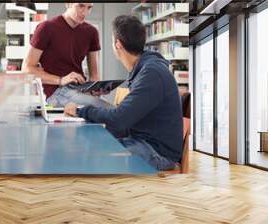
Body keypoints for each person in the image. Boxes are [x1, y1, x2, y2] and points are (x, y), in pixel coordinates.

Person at [64, 15, 183, 171]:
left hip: (157, 153)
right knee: (91, 141)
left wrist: (81, 111)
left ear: (117, 44)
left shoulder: (151, 73)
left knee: (91, 153)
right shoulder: (145, 69)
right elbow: (125, 119)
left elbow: (120, 120)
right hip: (145, 142)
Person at [22, 3, 112, 108]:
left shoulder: (91, 32)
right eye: (81, 6)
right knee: (108, 109)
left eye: (89, 7)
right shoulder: (46, 28)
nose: (85, 12)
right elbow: (26, 69)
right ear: (68, 4)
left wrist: (95, 89)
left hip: (80, 89)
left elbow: (94, 75)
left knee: (111, 110)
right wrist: (61, 80)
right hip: (56, 92)